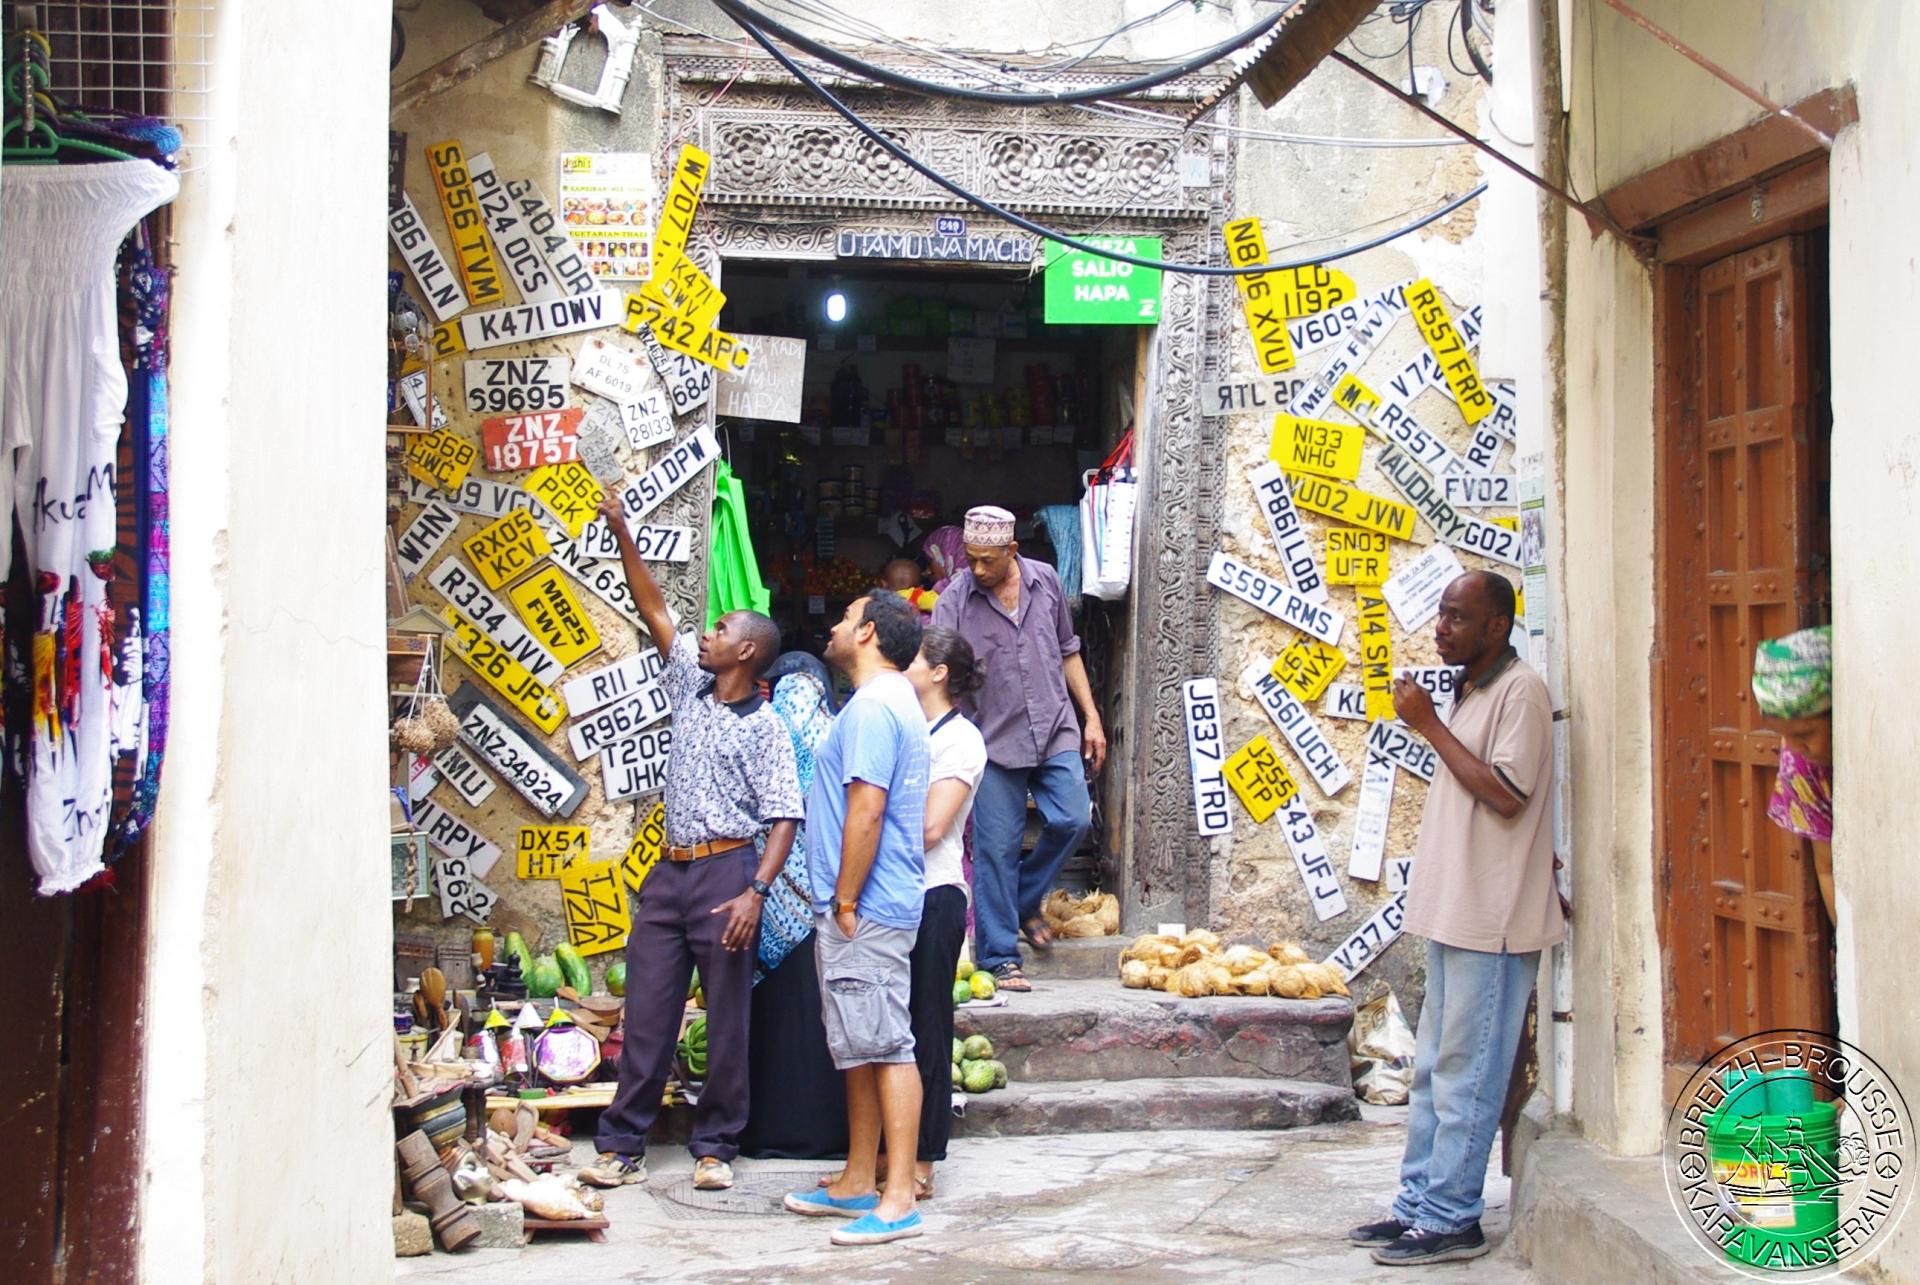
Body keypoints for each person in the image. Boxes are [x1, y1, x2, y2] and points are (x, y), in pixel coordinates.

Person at [580, 494, 803, 1194]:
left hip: (728, 876)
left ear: (747, 650)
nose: (705, 633)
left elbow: (785, 817)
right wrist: (622, 531)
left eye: (721, 627)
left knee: (728, 1019)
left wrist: (755, 892)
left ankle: (715, 1145)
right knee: (647, 1009)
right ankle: (621, 1142)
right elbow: (655, 612)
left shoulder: (765, 725)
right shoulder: (689, 688)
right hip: (669, 877)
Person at [1349, 571, 1564, 1267]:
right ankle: (1417, 1205)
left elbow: (1506, 795)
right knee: (1436, 1068)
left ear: (1496, 626)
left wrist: (1430, 727)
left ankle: (1453, 1217)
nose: (1440, 627)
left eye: (1456, 617)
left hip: (1495, 919)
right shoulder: (1471, 686)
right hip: (1455, 910)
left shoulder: (1520, 692)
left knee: (1469, 1073)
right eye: (1440, 614)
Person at [814, 626, 987, 1200]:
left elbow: (932, 826)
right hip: (890, 887)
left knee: (924, 1027)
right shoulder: (900, 720)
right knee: (882, 1031)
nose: (902, 663)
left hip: (933, 891)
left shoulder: (962, 739)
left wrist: (863, 842)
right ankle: (874, 1161)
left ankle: (922, 1160)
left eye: (914, 657)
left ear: (938, 673)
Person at [782, 590, 930, 1247]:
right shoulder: (890, 701)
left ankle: (896, 1197)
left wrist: (844, 898)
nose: (836, 627)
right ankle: (854, 1181)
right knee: (861, 1043)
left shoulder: (874, 705)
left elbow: (866, 808)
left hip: (864, 907)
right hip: (868, 904)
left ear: (867, 633)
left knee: (887, 1043)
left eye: (845, 618)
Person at [929, 505, 1105, 992]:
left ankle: (1025, 900)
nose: (978, 570)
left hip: (1054, 727)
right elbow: (937, 672)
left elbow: (1068, 650)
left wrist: (1090, 717)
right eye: (971, 559)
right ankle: (1000, 956)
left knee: (1074, 818)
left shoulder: (1044, 580)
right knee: (995, 850)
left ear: (1012, 550)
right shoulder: (955, 600)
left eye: (988, 560)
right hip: (990, 740)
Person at [740, 661, 851, 1159]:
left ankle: (771, 1128)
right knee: (818, 1017)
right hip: (821, 894)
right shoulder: (839, 735)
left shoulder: (764, 733)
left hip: (775, 890)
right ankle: (825, 1131)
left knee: (781, 1017)